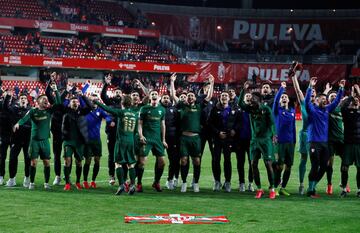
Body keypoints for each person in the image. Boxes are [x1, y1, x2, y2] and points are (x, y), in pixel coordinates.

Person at [170, 73, 214, 193]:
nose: (190, 97)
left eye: (192, 96)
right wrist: (172, 82)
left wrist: (212, 83)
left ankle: (195, 182)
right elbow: (173, 95)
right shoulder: (182, 105)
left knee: (197, 161)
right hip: (184, 137)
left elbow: (209, 97)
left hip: (196, 138)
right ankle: (184, 182)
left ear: (195, 98)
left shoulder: (199, 106)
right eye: (188, 96)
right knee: (183, 160)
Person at [13, 85, 61, 189]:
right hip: (34, 141)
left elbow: (58, 103)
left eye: (46, 99)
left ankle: (46, 183)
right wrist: (18, 123)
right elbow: (24, 118)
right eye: (43, 99)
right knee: (33, 162)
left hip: (45, 141)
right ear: (38, 101)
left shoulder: (49, 111)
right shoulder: (33, 111)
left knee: (47, 162)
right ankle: (32, 183)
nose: (46, 101)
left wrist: (56, 90)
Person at [305, 77, 345, 198]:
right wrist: (310, 87)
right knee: (314, 165)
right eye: (322, 99)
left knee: (324, 166)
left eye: (325, 99)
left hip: (324, 144)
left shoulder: (327, 109)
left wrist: (341, 88)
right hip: (313, 143)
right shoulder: (312, 110)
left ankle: (312, 185)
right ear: (316, 100)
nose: (324, 100)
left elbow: (337, 100)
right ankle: (310, 190)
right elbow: (307, 102)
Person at [239, 81, 276, 199]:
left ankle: (272, 188)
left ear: (258, 100)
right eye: (250, 100)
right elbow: (240, 104)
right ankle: (259, 188)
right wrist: (243, 90)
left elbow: (272, 123)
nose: (251, 101)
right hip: (254, 141)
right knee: (253, 164)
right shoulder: (250, 109)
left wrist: (274, 134)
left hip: (265, 140)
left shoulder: (266, 109)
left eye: (253, 99)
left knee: (268, 164)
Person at [95, 95, 138, 195]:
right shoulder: (135, 114)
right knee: (130, 164)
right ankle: (132, 185)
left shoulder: (121, 112)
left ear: (122, 103)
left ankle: (121, 185)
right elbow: (135, 131)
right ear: (130, 103)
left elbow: (107, 109)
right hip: (131, 140)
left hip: (121, 141)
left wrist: (97, 102)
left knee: (118, 163)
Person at [209, 91, 240, 192]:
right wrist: (218, 133)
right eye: (222, 96)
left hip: (228, 139)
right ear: (220, 98)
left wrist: (234, 130)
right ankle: (217, 181)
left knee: (227, 160)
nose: (224, 97)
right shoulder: (214, 109)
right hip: (217, 139)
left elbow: (238, 122)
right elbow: (209, 123)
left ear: (229, 98)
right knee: (216, 160)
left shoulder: (233, 109)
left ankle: (227, 182)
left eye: (226, 96)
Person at [290, 62, 313, 195]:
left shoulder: (320, 106)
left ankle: (312, 185)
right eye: (312, 93)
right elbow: (298, 90)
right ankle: (301, 184)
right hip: (305, 134)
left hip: (317, 136)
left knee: (317, 161)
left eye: (315, 94)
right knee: (304, 159)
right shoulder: (304, 104)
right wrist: (293, 77)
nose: (313, 95)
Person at [137, 90, 167, 192]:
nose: (154, 95)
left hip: (157, 139)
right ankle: (139, 183)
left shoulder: (162, 110)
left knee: (162, 162)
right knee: (141, 162)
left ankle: (156, 182)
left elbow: (163, 125)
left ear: (159, 97)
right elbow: (140, 123)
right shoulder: (144, 108)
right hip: (147, 138)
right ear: (150, 97)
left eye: (156, 94)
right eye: (152, 94)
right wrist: (141, 135)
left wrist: (163, 140)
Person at [62, 94, 92, 191]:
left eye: (76, 101)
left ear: (79, 103)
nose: (75, 103)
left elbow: (90, 106)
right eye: (73, 101)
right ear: (70, 103)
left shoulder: (81, 112)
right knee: (67, 161)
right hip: (68, 141)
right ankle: (67, 183)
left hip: (79, 142)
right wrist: (65, 136)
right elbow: (63, 128)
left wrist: (83, 96)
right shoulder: (66, 112)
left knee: (79, 163)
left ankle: (78, 182)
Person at [83, 93, 112, 189]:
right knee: (87, 160)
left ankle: (93, 181)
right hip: (87, 139)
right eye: (92, 100)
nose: (94, 102)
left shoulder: (100, 110)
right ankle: (85, 181)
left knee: (97, 161)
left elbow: (107, 117)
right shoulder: (85, 110)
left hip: (96, 139)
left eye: (96, 100)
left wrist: (109, 121)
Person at [272, 82, 296, 196]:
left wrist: (294, 141)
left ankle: (283, 187)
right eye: (282, 97)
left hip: (290, 142)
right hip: (280, 143)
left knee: (288, 166)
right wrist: (282, 89)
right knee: (279, 166)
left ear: (288, 100)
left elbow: (294, 127)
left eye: (285, 96)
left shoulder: (292, 111)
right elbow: (276, 101)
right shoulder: (277, 111)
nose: (284, 98)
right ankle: (275, 187)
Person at [3, 91, 31, 187]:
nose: (23, 99)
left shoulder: (31, 110)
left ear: (27, 100)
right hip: (16, 138)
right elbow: (5, 108)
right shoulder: (14, 109)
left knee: (28, 159)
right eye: (21, 98)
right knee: (12, 158)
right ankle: (12, 179)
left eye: (24, 98)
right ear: (19, 100)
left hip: (28, 139)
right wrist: (8, 97)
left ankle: (27, 178)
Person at [323, 83, 345, 195]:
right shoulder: (327, 109)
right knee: (329, 164)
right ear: (328, 99)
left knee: (345, 162)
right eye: (331, 96)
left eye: (335, 96)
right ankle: (329, 184)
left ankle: (344, 182)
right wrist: (327, 91)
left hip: (341, 139)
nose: (333, 97)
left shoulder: (342, 110)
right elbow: (322, 98)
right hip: (330, 140)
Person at [101, 74, 122, 185]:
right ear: (114, 94)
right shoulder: (110, 102)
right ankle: (112, 175)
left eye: (119, 92)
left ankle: (123, 177)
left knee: (122, 155)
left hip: (123, 134)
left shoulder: (125, 104)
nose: (118, 94)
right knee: (111, 155)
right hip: (112, 133)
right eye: (116, 92)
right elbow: (103, 96)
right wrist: (106, 84)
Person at [340, 84, 360, 197]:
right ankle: (343, 188)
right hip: (348, 144)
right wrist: (351, 96)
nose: (355, 101)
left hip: (358, 144)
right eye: (353, 100)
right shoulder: (346, 112)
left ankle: (359, 189)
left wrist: (358, 92)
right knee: (344, 167)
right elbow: (343, 105)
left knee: (359, 167)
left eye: (357, 100)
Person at [161, 93, 180, 190]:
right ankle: (156, 181)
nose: (166, 99)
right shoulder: (157, 108)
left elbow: (178, 123)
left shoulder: (174, 109)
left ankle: (170, 180)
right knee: (159, 160)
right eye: (164, 98)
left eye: (167, 98)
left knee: (173, 160)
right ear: (161, 99)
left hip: (171, 138)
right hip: (158, 138)